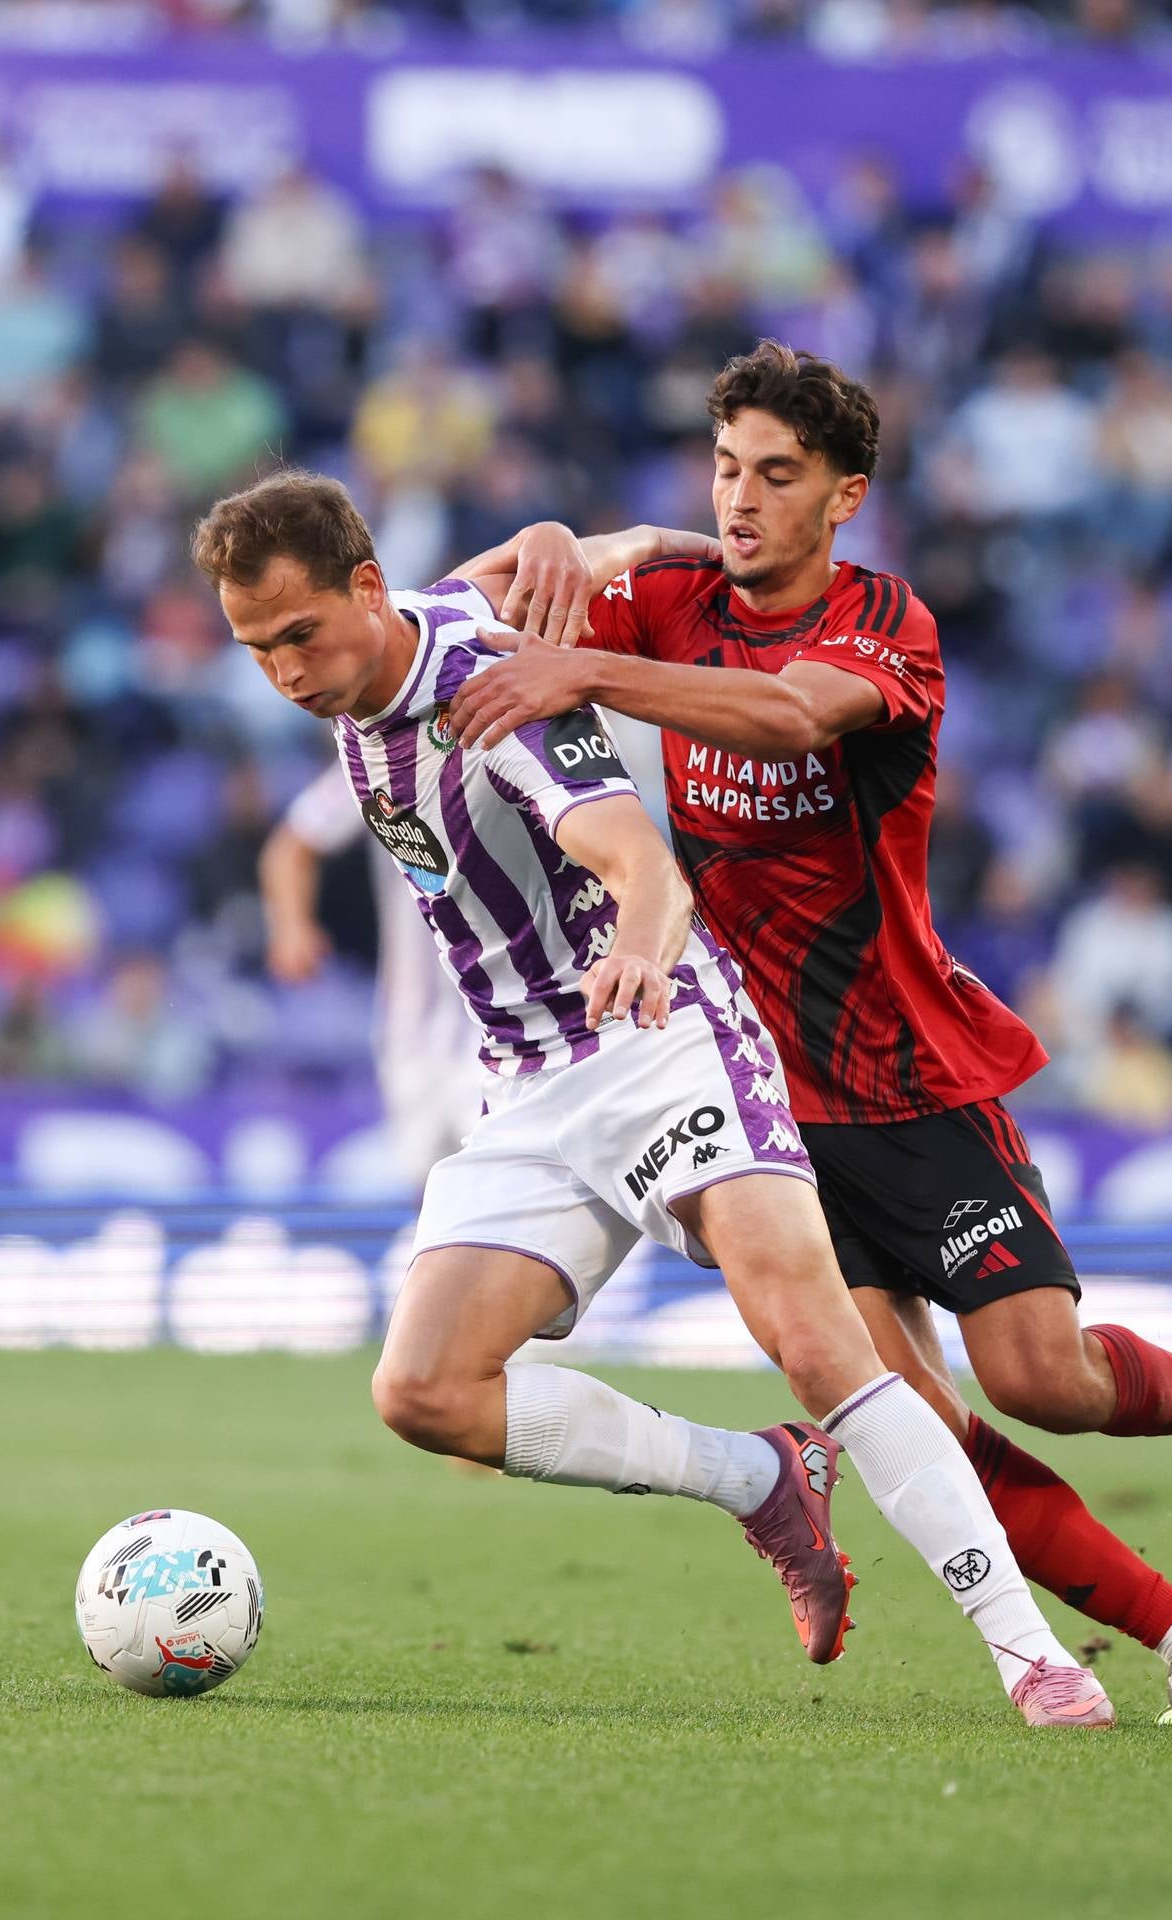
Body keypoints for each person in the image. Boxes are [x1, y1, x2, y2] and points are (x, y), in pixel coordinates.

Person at [445, 342, 1172, 1725]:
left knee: (1041, 1377)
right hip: (759, 1107)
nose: (740, 500)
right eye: (725, 469)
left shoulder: (886, 626)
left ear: (845, 495)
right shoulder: (671, 590)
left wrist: (592, 673)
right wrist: (575, 539)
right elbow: (482, 598)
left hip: (906, 1070)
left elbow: (792, 713)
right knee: (912, 1420)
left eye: (777, 477)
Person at [193, 470, 1112, 1729]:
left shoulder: (488, 697)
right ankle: (760, 1483)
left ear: (363, 589)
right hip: (524, 1084)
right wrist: (596, 537)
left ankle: (1030, 1656)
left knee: (811, 1336)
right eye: (258, 652)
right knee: (424, 1392)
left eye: (300, 636)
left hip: (660, 1029)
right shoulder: (422, 614)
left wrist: (635, 941)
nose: (288, 675)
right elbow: (599, 552)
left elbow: (636, 856)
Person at [257, 764, 483, 1186]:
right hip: (412, 1030)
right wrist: (290, 926)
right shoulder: (379, 755)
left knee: (502, 1192)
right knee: (431, 1197)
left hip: (513, 1025)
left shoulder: (519, 741)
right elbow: (290, 846)